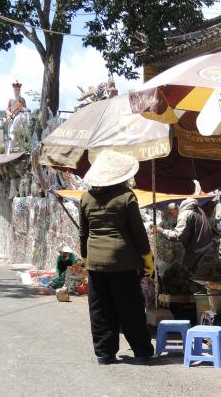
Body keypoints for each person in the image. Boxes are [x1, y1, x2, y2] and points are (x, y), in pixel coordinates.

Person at [79, 150, 155, 365]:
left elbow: (83, 234)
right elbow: (138, 233)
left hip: (95, 262)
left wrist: (86, 259)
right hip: (122, 261)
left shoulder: (86, 198)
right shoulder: (126, 196)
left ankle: (105, 353)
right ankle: (141, 352)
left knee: (100, 308)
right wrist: (147, 258)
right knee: (130, 307)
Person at [152, 198, 213, 271]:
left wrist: (161, 230)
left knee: (187, 272)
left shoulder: (184, 214)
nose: (172, 219)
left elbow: (178, 236)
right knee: (202, 271)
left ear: (173, 212)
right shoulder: (198, 209)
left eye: (169, 217)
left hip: (196, 249)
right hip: (207, 244)